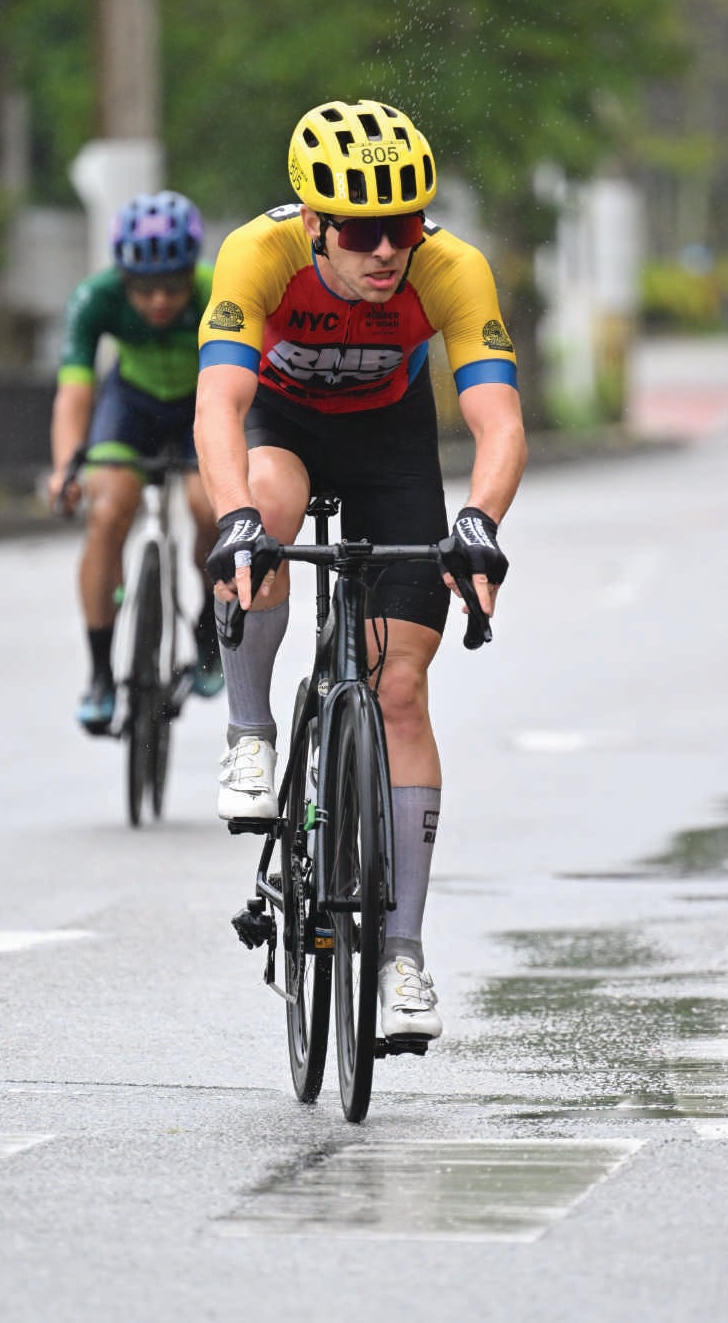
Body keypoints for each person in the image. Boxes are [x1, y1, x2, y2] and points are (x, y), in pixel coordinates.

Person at [194, 98, 526, 1043]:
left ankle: (403, 951)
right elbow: (220, 403)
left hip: (390, 446)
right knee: (267, 506)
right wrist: (236, 521)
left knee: (403, 690)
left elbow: (498, 420)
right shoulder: (257, 257)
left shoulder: (451, 269)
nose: (388, 251)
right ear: (314, 225)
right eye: (363, 232)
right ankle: (251, 730)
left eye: (405, 227)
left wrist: (478, 519)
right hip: (283, 432)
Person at [49, 190, 223, 733]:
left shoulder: (218, 288)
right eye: (144, 289)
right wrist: (64, 468)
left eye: (173, 284)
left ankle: (208, 634)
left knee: (211, 509)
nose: (159, 301)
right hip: (132, 405)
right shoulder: (95, 298)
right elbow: (74, 392)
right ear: (122, 278)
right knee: (108, 510)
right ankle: (101, 674)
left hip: (201, 402)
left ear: (190, 270)